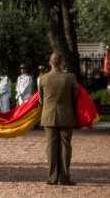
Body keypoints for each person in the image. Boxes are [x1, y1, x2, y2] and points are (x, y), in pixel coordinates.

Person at [38, 52, 79, 185]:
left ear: (50, 63)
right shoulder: (70, 77)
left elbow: (41, 99)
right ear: (62, 63)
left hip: (48, 116)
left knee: (51, 148)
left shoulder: (43, 79)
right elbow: (75, 96)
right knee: (66, 147)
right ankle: (65, 178)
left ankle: (52, 178)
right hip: (66, 116)